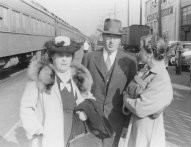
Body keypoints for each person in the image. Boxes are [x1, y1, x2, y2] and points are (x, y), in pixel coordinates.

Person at [20, 36, 93, 147]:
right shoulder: (39, 76)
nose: (65, 59)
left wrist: (86, 110)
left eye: (68, 56)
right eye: (60, 55)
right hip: (49, 137)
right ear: (52, 57)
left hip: (74, 135)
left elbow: (87, 99)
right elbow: (26, 107)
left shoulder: (77, 77)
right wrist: (37, 130)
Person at [82, 18, 137, 147]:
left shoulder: (129, 61)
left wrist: (126, 125)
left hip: (116, 123)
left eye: (116, 37)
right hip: (91, 121)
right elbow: (81, 89)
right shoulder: (89, 58)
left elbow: (132, 94)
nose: (112, 41)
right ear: (103, 36)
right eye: (109, 36)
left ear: (120, 39)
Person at [123, 35, 173, 147]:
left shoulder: (161, 77)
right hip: (138, 128)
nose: (139, 52)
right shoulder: (147, 71)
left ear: (149, 54)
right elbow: (130, 89)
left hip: (149, 133)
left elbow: (140, 108)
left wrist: (126, 99)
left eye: (141, 49)